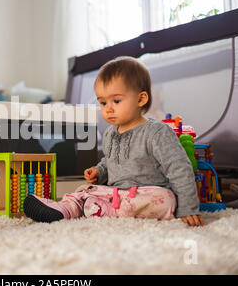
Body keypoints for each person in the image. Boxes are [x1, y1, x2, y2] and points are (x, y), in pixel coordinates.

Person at [24, 56, 204, 227]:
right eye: (103, 103)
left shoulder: (157, 132)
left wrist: (188, 208)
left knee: (166, 200)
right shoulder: (110, 133)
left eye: (116, 100)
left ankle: (103, 210)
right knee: (83, 190)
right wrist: (99, 172)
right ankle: (65, 209)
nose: (108, 109)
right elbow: (109, 162)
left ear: (141, 99)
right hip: (115, 194)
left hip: (146, 194)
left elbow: (179, 168)